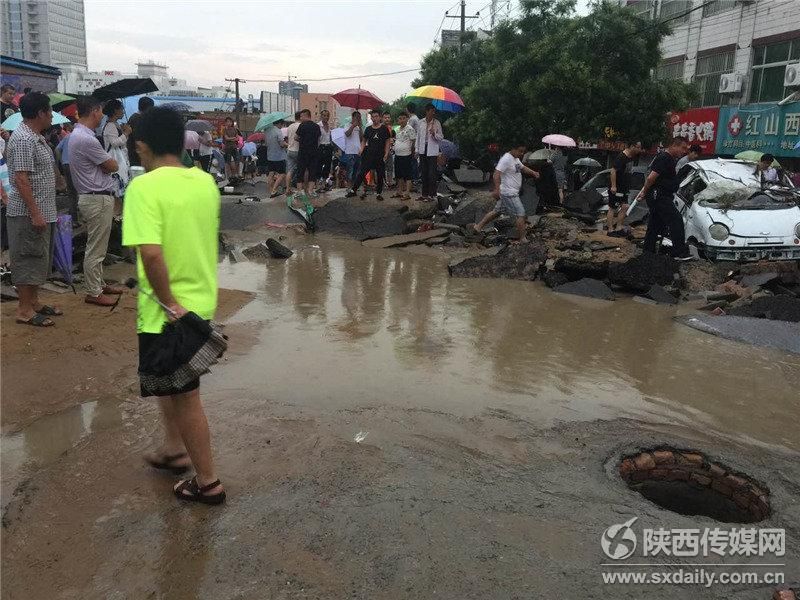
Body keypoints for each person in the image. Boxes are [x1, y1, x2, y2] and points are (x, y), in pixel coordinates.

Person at [122, 107, 225, 506]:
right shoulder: (204, 183)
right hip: (200, 304)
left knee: (186, 396)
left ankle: (209, 482)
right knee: (172, 384)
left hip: (169, 312)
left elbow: (151, 255)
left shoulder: (144, 189)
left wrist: (168, 303)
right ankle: (173, 448)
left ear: (142, 146)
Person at [5, 92, 66, 327]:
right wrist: (35, 212)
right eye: (49, 111)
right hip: (28, 214)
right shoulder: (23, 139)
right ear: (40, 113)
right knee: (27, 258)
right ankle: (24, 309)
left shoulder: (35, 137)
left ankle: (34, 302)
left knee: (39, 258)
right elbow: (20, 179)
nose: (52, 115)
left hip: (42, 211)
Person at [69, 95, 127, 306]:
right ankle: (93, 291)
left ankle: (99, 284)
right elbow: (111, 165)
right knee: (96, 247)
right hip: (96, 198)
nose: (102, 115)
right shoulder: (85, 138)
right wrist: (108, 163)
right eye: (100, 111)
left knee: (99, 246)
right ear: (94, 111)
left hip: (94, 197)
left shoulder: (80, 135)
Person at [636, 136, 692, 261]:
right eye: (682, 148)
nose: (684, 152)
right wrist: (644, 192)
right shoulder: (664, 158)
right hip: (659, 195)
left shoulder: (669, 159)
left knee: (655, 224)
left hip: (661, 195)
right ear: (673, 145)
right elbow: (651, 178)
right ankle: (679, 252)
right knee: (676, 220)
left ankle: (648, 251)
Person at [471, 143, 540, 243]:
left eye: (523, 151)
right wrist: (497, 190)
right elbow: (496, 174)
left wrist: (533, 173)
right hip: (509, 193)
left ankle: (478, 227)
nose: (522, 153)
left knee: (497, 211)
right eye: (520, 151)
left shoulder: (515, 159)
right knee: (520, 214)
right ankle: (523, 239)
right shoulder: (506, 159)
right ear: (513, 149)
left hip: (510, 192)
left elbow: (522, 167)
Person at [346, 110, 391, 201]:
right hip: (369, 155)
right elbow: (364, 140)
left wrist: (386, 153)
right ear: (371, 118)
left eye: (376, 116)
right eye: (373, 117)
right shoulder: (368, 129)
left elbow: (387, 141)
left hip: (380, 155)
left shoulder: (384, 129)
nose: (374, 118)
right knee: (361, 173)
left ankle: (379, 193)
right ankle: (353, 190)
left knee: (380, 174)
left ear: (380, 117)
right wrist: (361, 149)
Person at [607, 141, 642, 238]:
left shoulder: (632, 157)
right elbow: (613, 171)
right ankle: (610, 230)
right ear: (632, 146)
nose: (639, 150)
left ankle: (619, 227)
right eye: (638, 147)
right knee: (612, 207)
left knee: (625, 206)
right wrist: (613, 186)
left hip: (624, 187)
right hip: (616, 187)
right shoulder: (621, 157)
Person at [102, 99, 132, 193]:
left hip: (120, 159)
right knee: (117, 189)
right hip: (116, 160)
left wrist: (123, 132)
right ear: (115, 110)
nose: (123, 111)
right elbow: (114, 143)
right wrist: (126, 133)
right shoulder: (110, 125)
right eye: (121, 109)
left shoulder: (115, 124)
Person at [416, 103, 443, 201]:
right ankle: (424, 194)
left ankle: (432, 194)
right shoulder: (420, 122)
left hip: (432, 150)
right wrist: (416, 150)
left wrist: (434, 133)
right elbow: (418, 137)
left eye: (434, 111)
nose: (433, 113)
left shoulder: (437, 123)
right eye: (432, 111)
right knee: (424, 172)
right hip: (423, 149)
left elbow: (441, 137)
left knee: (432, 173)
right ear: (427, 111)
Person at [294, 109, 320, 197]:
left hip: (303, 152)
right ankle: (311, 191)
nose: (300, 118)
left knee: (300, 171)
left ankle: (300, 192)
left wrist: (303, 140)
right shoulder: (316, 126)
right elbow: (318, 138)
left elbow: (296, 137)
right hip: (314, 152)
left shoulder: (302, 125)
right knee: (312, 172)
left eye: (301, 116)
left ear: (306, 115)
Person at [392, 112, 415, 201]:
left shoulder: (410, 129)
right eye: (400, 118)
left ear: (407, 119)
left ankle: (407, 193)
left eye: (403, 118)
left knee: (407, 174)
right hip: (398, 155)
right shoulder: (397, 129)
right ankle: (399, 191)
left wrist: (412, 152)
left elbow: (413, 142)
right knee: (399, 174)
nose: (401, 120)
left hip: (406, 155)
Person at [127, 96, 154, 167]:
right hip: (136, 155)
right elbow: (139, 138)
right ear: (148, 108)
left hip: (135, 153)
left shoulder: (135, 117)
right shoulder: (137, 119)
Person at [340, 111, 363, 186]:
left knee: (357, 170)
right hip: (350, 151)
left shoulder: (359, 127)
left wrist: (360, 127)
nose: (358, 119)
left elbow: (361, 139)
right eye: (357, 117)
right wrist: (353, 126)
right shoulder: (347, 125)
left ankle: (354, 186)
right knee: (350, 170)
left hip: (358, 151)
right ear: (353, 117)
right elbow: (347, 134)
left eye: (359, 117)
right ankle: (349, 186)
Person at [266, 122, 288, 198]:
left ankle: (270, 190)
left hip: (270, 156)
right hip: (279, 156)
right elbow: (281, 144)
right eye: (281, 124)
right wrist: (287, 145)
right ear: (279, 123)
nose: (281, 126)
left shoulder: (267, 131)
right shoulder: (278, 131)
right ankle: (274, 190)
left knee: (271, 174)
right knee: (282, 174)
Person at [285, 112, 302, 193]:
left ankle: (288, 188)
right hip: (298, 150)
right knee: (300, 170)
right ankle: (299, 190)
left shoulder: (290, 126)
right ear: (301, 117)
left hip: (290, 150)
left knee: (290, 171)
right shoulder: (301, 126)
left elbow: (289, 138)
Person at [317, 109, 334, 189]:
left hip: (328, 147)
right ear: (321, 116)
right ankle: (317, 183)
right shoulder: (318, 125)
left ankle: (324, 183)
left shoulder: (329, 126)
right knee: (319, 165)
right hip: (320, 147)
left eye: (327, 115)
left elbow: (330, 137)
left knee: (327, 166)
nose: (326, 117)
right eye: (324, 115)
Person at [406, 102, 421, 183]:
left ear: (408, 109)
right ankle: (415, 178)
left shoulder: (412, 119)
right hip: (416, 142)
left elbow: (409, 130)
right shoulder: (416, 118)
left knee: (412, 161)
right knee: (414, 160)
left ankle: (413, 178)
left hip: (413, 143)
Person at [382, 111, 396, 188]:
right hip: (382, 151)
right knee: (381, 167)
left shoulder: (391, 128)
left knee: (390, 167)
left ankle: (389, 182)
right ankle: (382, 183)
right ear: (382, 118)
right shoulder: (380, 127)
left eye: (388, 117)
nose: (387, 119)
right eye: (385, 117)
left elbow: (392, 139)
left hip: (390, 150)